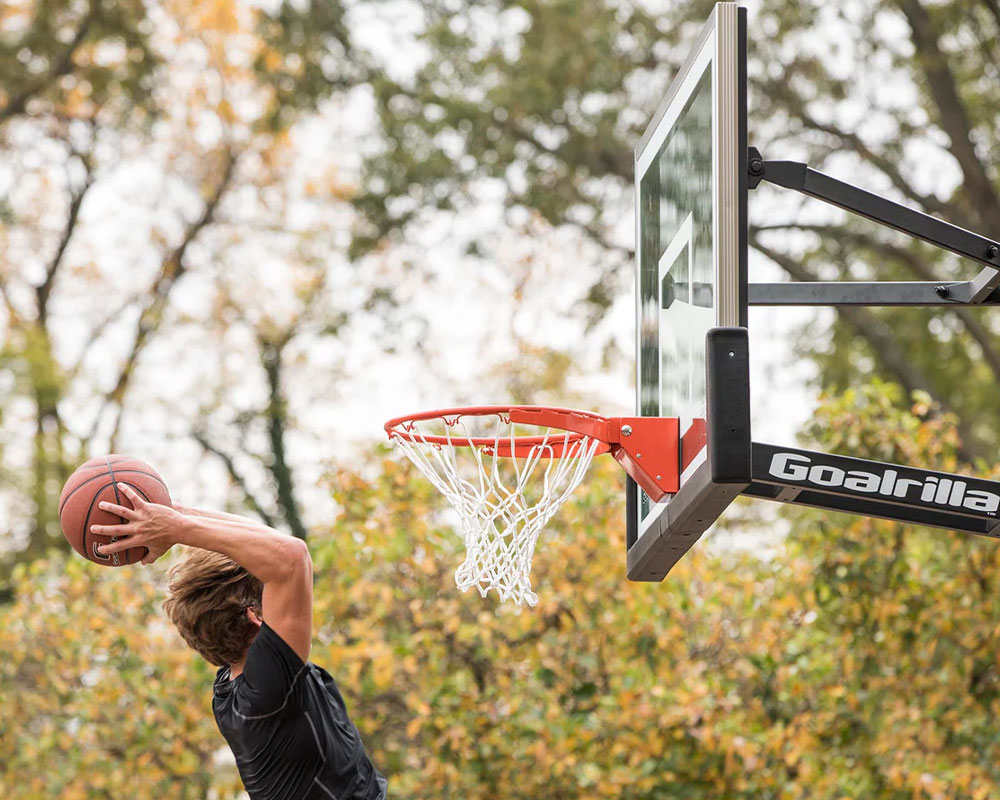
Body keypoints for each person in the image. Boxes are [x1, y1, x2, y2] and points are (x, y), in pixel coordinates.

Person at [90, 482, 388, 800]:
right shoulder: (268, 687)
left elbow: (272, 544)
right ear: (256, 617)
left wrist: (177, 515)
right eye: (270, 593)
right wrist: (176, 528)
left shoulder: (237, 687)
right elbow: (291, 556)